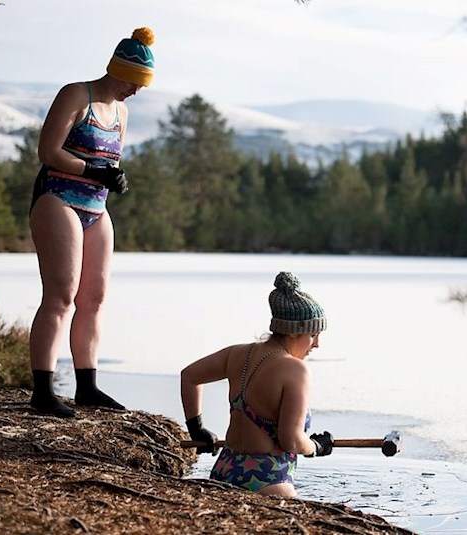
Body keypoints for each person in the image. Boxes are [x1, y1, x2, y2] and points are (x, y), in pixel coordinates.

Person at [28, 27, 156, 418]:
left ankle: (87, 387)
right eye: (135, 82)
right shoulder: (75, 95)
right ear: (120, 71)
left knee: (94, 299)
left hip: (96, 208)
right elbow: (48, 151)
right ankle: (42, 392)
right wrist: (91, 169)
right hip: (58, 199)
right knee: (60, 296)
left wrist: (113, 176)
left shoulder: (122, 113)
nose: (136, 91)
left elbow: (109, 161)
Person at [181, 272, 335, 497]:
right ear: (294, 332)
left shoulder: (237, 354)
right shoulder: (296, 369)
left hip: (224, 471)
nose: (317, 344)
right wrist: (316, 447)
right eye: (313, 334)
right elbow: (291, 440)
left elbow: (189, 376)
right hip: (267, 481)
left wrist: (197, 429)